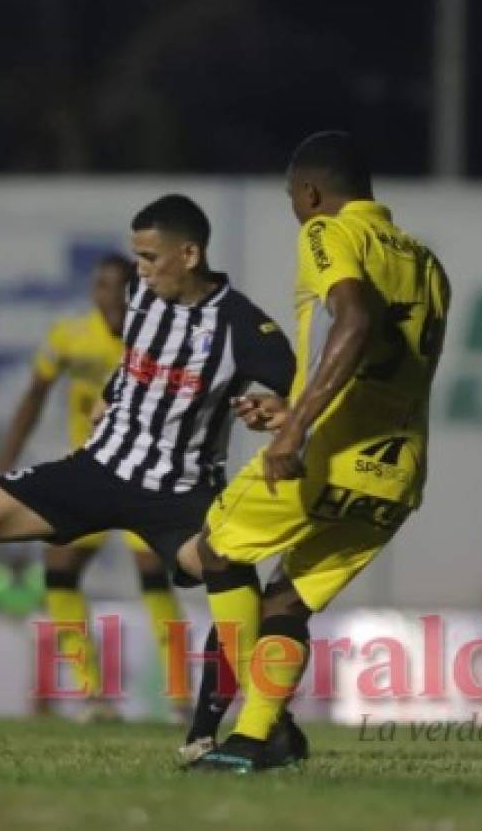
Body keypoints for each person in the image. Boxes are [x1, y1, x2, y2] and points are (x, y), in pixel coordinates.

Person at [0, 194, 296, 718]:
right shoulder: (143, 296)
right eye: (135, 257)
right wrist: (112, 395)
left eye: (148, 258)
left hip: (177, 492)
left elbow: (305, 394)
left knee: (225, 565)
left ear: (189, 254)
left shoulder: (245, 328)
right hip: (96, 469)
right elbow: (140, 362)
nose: (136, 271)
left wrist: (280, 411)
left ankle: (256, 717)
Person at [181, 130, 450, 772]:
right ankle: (254, 740)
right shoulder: (426, 261)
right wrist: (295, 403)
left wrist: (296, 425)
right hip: (398, 472)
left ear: (310, 192)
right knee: (287, 603)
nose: (295, 212)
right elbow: (388, 365)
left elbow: (353, 322)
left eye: (292, 199)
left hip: (329, 456)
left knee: (213, 550)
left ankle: (225, 723)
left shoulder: (329, 232)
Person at [0, 253, 187, 722]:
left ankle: (180, 696)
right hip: (91, 472)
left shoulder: (153, 341)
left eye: (120, 287)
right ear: (92, 293)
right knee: (58, 567)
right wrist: (5, 462)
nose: (110, 296)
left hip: (143, 474)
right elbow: (33, 397)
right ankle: (93, 694)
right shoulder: (69, 339)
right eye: (101, 286)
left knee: (153, 575)